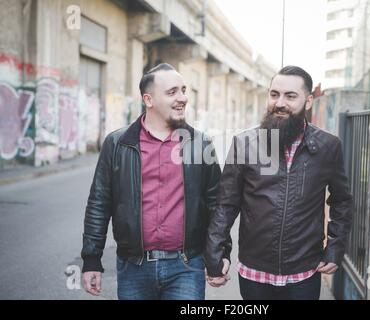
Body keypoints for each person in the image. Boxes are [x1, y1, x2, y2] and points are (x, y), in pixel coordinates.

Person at [204, 66, 353, 300]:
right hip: (254, 274)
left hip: (304, 274)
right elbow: (226, 205)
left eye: (290, 96)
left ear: (308, 100)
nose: (279, 103)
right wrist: (215, 255)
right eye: (274, 94)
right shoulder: (244, 143)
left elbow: (342, 202)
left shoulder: (328, 146)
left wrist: (335, 248)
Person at [81, 63, 225, 300]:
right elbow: (99, 203)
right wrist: (91, 259)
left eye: (183, 90)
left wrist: (219, 255)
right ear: (148, 99)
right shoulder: (117, 143)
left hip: (186, 267)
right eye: (172, 92)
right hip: (133, 268)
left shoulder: (201, 144)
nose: (182, 98)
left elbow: (216, 205)